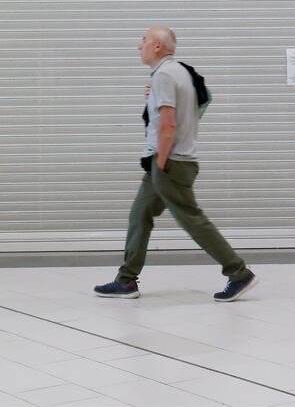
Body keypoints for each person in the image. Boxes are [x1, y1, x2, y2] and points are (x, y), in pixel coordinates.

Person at [94, 26, 258, 302]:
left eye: (143, 40)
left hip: (170, 161)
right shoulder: (179, 71)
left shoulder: (165, 75)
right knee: (140, 215)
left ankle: (238, 272)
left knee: (192, 219)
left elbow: (168, 124)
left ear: (158, 46)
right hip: (169, 160)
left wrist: (161, 161)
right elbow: (196, 108)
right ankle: (126, 281)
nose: (139, 46)